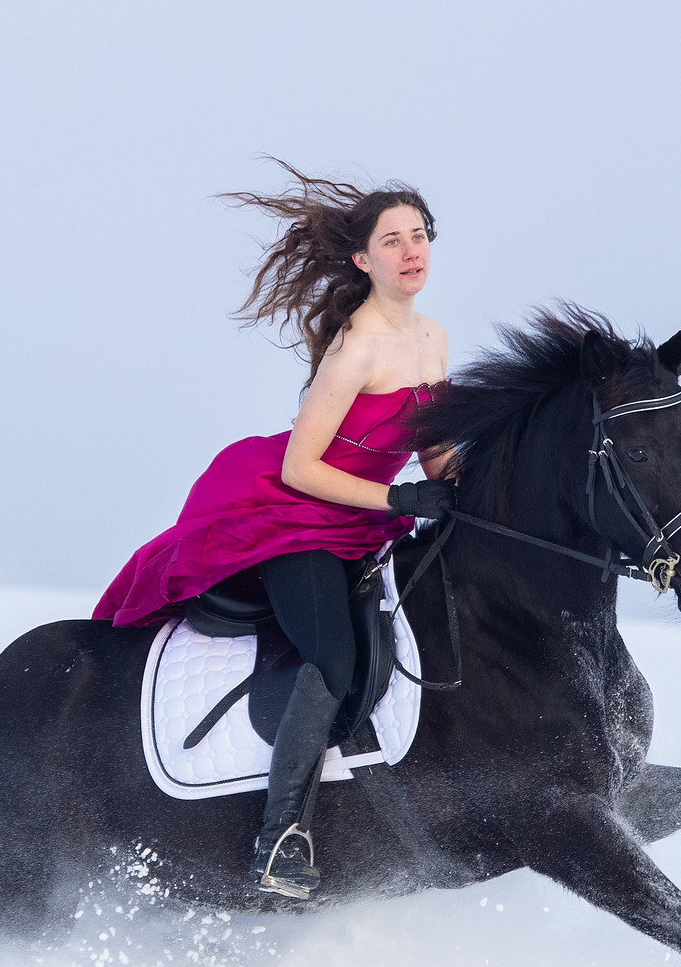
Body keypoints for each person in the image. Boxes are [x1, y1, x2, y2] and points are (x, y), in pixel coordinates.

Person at [94, 166, 457, 898]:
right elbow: (300, 467)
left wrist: (460, 485)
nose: (411, 250)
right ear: (364, 260)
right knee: (333, 653)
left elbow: (434, 449)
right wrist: (397, 495)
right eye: (393, 240)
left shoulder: (431, 337)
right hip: (295, 513)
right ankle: (278, 838)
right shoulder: (356, 347)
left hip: (367, 514)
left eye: (419, 236)